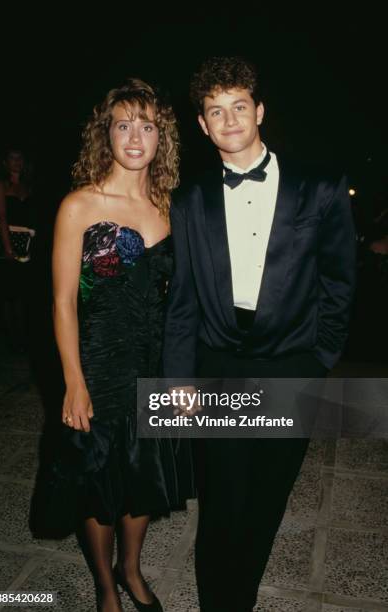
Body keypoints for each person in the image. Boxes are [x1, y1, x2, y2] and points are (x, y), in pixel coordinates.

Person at [163, 56, 356, 611]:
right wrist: (179, 378)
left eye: (238, 107)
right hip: (219, 361)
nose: (228, 120)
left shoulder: (319, 190)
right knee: (222, 500)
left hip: (293, 364)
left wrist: (319, 358)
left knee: (267, 500)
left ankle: (240, 599)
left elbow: (340, 283)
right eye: (214, 111)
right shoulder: (190, 200)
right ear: (202, 125)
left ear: (260, 111)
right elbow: (183, 300)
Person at [34, 79, 191, 612]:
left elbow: (179, 301)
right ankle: (106, 586)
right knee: (98, 483)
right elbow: (62, 303)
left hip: (152, 365)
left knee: (144, 477)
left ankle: (131, 567)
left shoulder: (169, 206)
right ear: (107, 133)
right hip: (97, 367)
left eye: (146, 126)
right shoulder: (79, 205)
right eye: (123, 123)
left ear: (160, 137)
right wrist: (73, 382)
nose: (134, 136)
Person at [0, 147, 36, 350]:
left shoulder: (28, 186)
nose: (17, 162)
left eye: (20, 158)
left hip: (25, 241)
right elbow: (2, 216)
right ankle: (11, 339)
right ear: (5, 162)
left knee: (22, 291)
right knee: (9, 293)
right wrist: (8, 248)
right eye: (12, 158)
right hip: (6, 240)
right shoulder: (0, 185)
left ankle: (22, 338)